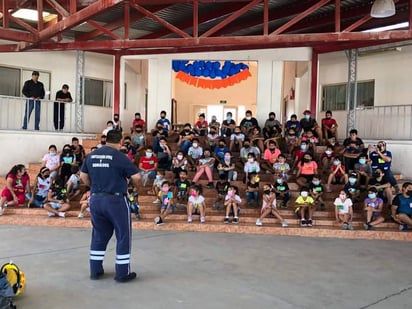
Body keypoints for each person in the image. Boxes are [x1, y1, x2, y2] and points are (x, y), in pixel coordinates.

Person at [80, 130, 141, 283]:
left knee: (99, 235)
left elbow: (83, 176)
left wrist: (93, 186)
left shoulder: (92, 155)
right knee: (123, 235)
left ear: (106, 140)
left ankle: (95, 270)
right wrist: (131, 185)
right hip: (115, 201)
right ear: (120, 141)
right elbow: (137, 177)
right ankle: (122, 273)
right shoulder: (120, 157)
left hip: (96, 199)